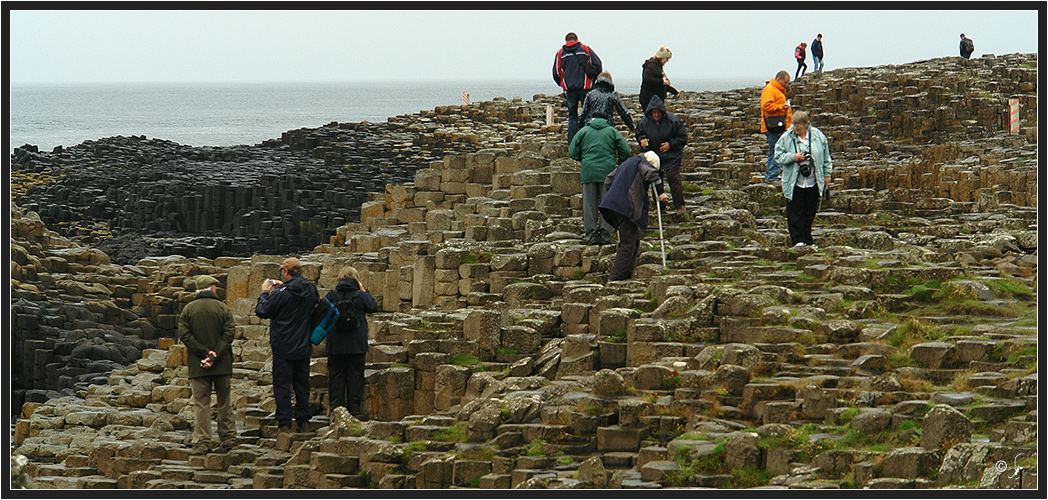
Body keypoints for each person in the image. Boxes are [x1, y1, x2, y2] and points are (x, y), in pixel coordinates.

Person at [256, 257, 318, 435]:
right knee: (302, 385)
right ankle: (303, 421)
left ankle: (284, 424)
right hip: (303, 344)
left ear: (286, 271)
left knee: (282, 386)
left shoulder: (280, 293)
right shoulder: (311, 289)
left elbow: (262, 311)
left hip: (283, 346)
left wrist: (265, 293)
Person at [178, 275, 237, 452]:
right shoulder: (223, 308)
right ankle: (228, 438)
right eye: (215, 287)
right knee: (224, 402)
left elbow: (185, 336)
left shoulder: (188, 310)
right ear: (211, 289)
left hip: (198, 365)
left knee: (201, 403)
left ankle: (203, 441)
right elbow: (229, 334)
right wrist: (215, 355)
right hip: (222, 364)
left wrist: (204, 353)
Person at [600, 151, 668, 282]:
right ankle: (615, 278)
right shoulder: (642, 163)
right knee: (627, 243)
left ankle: (626, 273)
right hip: (625, 207)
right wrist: (661, 193)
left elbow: (608, 180)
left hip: (612, 206)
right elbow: (652, 174)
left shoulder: (627, 163)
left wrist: (616, 194)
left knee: (633, 238)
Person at [569, 111, 633, 245]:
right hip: (608, 172)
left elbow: (572, 151)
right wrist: (620, 160)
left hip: (588, 171)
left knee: (589, 205)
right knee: (607, 204)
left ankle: (591, 236)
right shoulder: (611, 131)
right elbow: (626, 150)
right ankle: (606, 236)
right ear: (606, 120)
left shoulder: (583, 131)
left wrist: (583, 158)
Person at [323, 266, 378, 417]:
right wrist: (364, 291)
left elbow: (322, 313)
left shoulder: (332, 294)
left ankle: (336, 409)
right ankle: (354, 410)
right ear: (356, 279)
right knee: (355, 376)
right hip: (356, 343)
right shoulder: (360, 295)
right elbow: (373, 307)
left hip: (335, 343)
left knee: (336, 376)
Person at [774, 110, 832, 248]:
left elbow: (826, 156)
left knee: (809, 211)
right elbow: (777, 155)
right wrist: (793, 157)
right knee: (795, 213)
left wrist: (827, 174)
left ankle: (807, 239)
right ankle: (798, 241)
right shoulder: (786, 137)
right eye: (793, 126)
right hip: (794, 182)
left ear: (806, 124)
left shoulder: (817, 136)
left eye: (798, 127)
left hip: (813, 180)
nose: (795, 129)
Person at [635, 95, 688, 216]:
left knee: (673, 178)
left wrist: (670, 144)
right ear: (650, 113)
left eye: (658, 113)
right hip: (654, 155)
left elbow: (683, 137)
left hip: (672, 155)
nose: (656, 115)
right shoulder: (644, 122)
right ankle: (660, 206)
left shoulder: (672, 120)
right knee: (655, 179)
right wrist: (641, 141)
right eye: (654, 113)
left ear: (662, 112)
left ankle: (680, 206)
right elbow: (639, 134)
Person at [553, 32, 603, 143]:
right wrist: (594, 81)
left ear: (566, 41)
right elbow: (598, 64)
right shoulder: (585, 49)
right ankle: (587, 141)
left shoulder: (561, 53)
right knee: (588, 115)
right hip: (586, 87)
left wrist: (563, 84)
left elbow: (556, 72)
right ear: (577, 39)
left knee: (572, 116)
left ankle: (572, 143)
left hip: (570, 89)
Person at [760, 70, 794, 182]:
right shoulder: (770, 89)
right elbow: (766, 106)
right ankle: (772, 176)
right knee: (777, 150)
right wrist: (780, 107)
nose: (786, 85)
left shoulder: (777, 90)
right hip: (772, 126)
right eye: (785, 82)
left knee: (775, 150)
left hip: (778, 125)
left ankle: (771, 175)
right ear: (779, 80)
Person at [639, 45, 678, 111]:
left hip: (656, 100)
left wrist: (674, 92)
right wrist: (662, 81)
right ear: (661, 57)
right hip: (649, 100)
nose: (667, 61)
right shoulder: (651, 66)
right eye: (666, 58)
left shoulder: (658, 67)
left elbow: (662, 85)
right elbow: (647, 78)